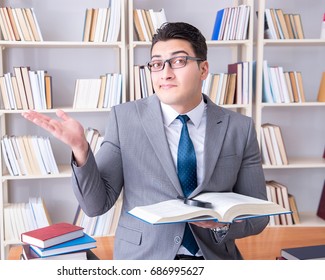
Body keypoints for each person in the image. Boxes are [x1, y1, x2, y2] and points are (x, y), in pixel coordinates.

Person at [22, 22, 269, 260]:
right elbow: (96, 205)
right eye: (157, 64)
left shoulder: (239, 128)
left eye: (179, 61)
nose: (166, 74)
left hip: (212, 258)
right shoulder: (125, 119)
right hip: (145, 260)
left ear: (203, 69)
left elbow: (259, 216)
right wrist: (81, 150)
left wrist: (222, 226)